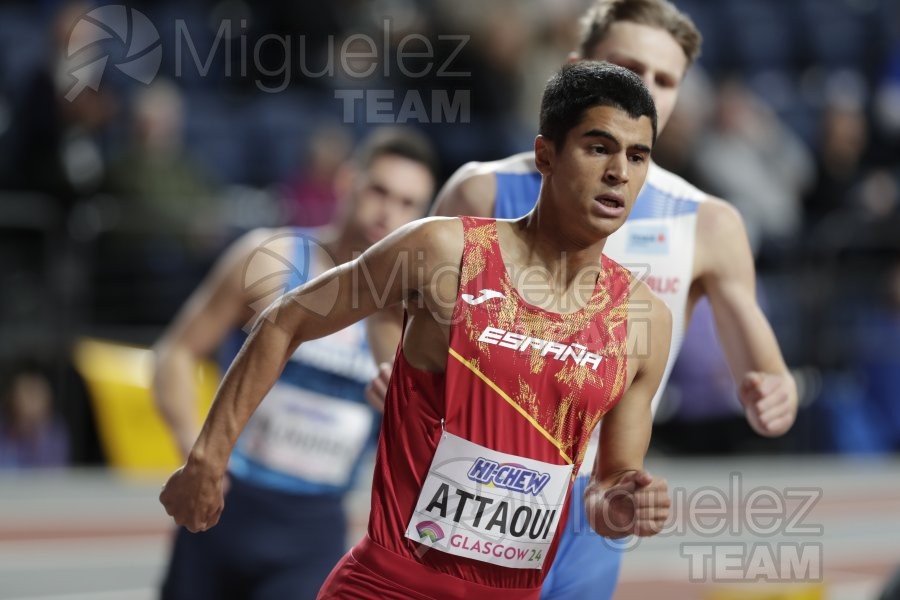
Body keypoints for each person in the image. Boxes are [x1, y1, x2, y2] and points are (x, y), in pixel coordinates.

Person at [160, 62, 673, 599]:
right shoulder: (442, 253)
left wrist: (625, 506)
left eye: (637, 157)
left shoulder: (643, 321)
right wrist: (206, 458)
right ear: (545, 154)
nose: (620, 171)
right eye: (599, 148)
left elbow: (607, 490)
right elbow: (286, 320)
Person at [408, 1, 800, 598]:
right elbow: (406, 325)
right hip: (472, 486)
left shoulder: (709, 224)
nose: (645, 87)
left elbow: (768, 374)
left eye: (665, 79)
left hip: (599, 496)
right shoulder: (482, 188)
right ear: (575, 70)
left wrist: (776, 391)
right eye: (625, 65)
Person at [152, 127, 438, 600]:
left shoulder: (412, 315)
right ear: (348, 183)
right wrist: (196, 452)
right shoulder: (272, 258)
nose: (388, 212)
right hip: (222, 508)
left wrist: (408, 413)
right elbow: (176, 352)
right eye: (378, 191)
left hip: (313, 531)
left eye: (409, 204)